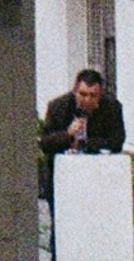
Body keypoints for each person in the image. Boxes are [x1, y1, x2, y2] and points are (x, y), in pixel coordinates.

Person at [38, 67, 125, 205]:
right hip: (62, 178)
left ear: (100, 95)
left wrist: (84, 143)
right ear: (74, 92)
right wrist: (67, 134)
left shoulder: (112, 107)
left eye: (92, 95)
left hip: (97, 177)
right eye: (82, 94)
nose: (87, 100)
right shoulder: (58, 106)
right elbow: (45, 143)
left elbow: (117, 142)